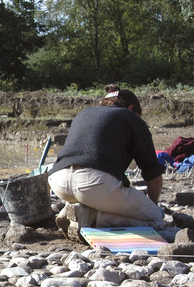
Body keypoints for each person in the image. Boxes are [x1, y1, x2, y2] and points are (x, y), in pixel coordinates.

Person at [48, 85, 164, 240]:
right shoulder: (130, 118)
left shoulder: (85, 113)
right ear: (131, 108)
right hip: (93, 183)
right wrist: (151, 206)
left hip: (58, 181)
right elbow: (154, 177)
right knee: (155, 217)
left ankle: (78, 210)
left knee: (94, 196)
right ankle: (91, 217)